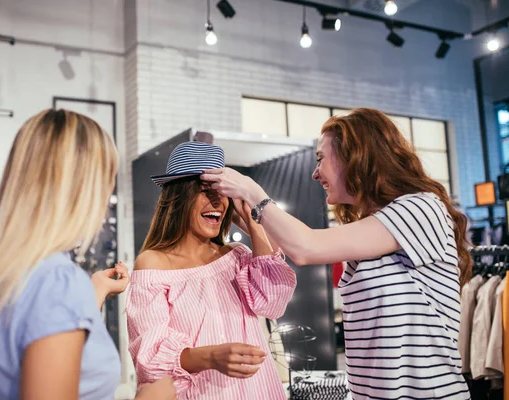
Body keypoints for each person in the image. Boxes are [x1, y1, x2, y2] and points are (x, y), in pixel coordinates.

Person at [201, 108, 472, 399]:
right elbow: (285, 245)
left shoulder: (420, 208)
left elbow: (305, 247)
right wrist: (237, 210)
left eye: (321, 158)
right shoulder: (374, 226)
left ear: (357, 156)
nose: (315, 173)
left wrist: (253, 193)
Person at [0, 109, 175, 400]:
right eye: (108, 177)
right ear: (83, 186)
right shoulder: (58, 282)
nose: (109, 190)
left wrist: (92, 291)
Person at [126, 141, 297, 399]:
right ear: (179, 198)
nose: (218, 200)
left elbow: (272, 303)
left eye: (222, 191)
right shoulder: (153, 265)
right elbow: (149, 360)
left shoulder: (236, 257)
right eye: (206, 190)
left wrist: (252, 222)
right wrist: (212, 356)